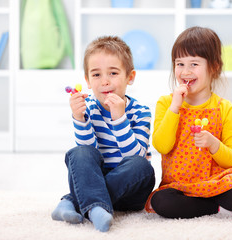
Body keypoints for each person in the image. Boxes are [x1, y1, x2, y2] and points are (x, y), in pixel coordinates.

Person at [145, 26, 232, 219]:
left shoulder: (224, 108)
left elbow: (231, 159)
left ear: (214, 67)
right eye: (179, 64)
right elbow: (161, 145)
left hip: (218, 183)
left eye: (194, 64)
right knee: (161, 203)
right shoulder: (166, 103)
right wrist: (175, 108)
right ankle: (218, 209)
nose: (185, 71)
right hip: (179, 186)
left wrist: (213, 144)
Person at [51, 36, 155, 232]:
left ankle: (73, 202)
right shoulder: (88, 107)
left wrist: (119, 119)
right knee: (79, 152)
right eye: (96, 75)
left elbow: (135, 157)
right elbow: (89, 152)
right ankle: (96, 208)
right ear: (88, 81)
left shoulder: (141, 111)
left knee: (142, 166)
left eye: (113, 73)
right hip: (95, 177)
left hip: (131, 189)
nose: (105, 81)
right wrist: (79, 118)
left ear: (130, 77)